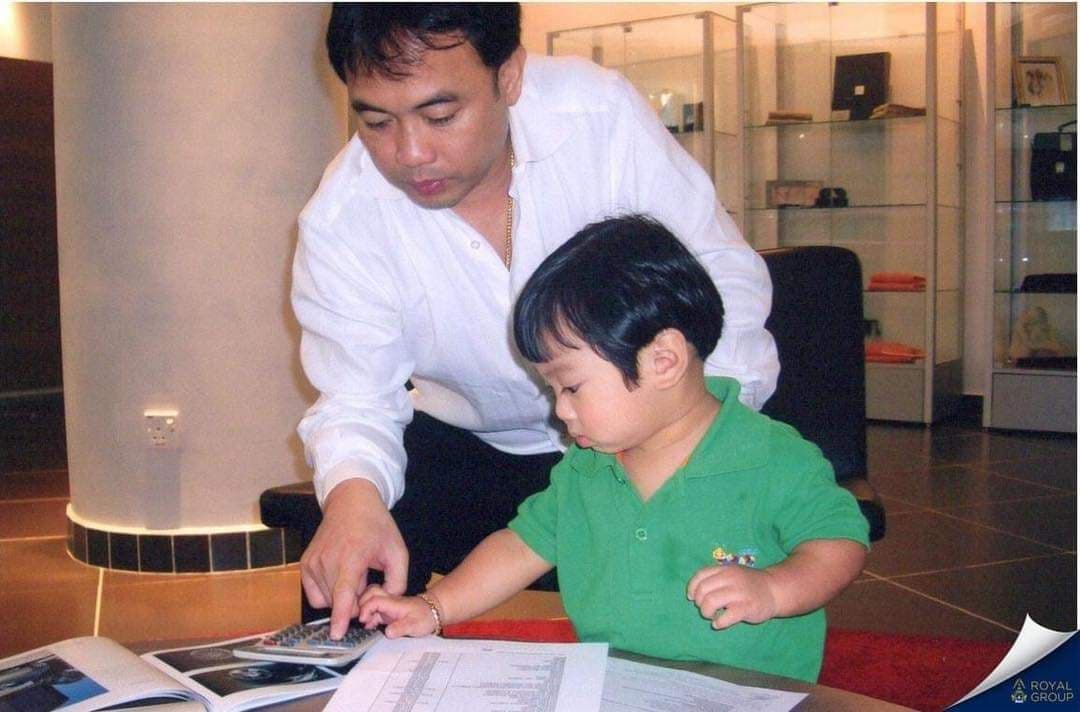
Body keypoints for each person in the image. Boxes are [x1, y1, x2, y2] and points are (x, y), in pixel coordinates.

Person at [292, 3, 779, 639]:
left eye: (440, 115)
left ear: (510, 74)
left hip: (652, 421)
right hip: (472, 444)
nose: (410, 153)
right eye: (377, 122)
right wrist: (353, 502)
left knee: (712, 607)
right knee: (350, 574)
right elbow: (356, 396)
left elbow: (718, 279)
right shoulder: (344, 215)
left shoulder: (596, 117)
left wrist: (693, 435)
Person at [356, 215, 870, 683]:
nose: (560, 410)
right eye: (552, 390)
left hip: (749, 693)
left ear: (663, 360)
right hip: (621, 687)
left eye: (572, 387)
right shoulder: (587, 468)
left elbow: (839, 543)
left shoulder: (769, 456)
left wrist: (774, 589)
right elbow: (520, 547)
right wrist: (435, 607)